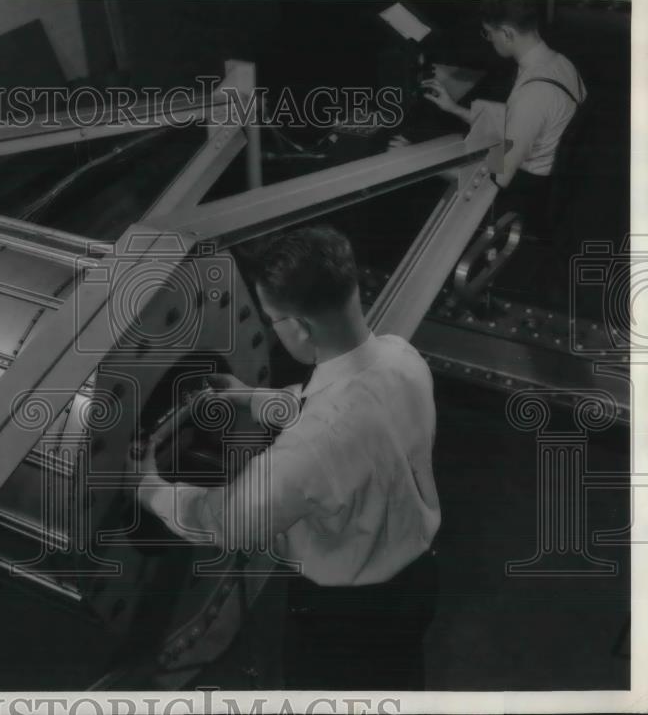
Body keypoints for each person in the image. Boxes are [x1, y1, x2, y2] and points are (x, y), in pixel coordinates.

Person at [136, 225, 441, 690]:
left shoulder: (306, 450)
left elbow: (225, 521)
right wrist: (252, 397)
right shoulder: (403, 357)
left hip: (345, 619)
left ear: (299, 326)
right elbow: (343, 409)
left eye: (273, 319)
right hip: (417, 581)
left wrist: (149, 488)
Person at [412, 0, 587, 238]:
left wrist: (418, 164)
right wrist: (453, 109)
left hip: (525, 186)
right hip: (540, 168)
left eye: (488, 33)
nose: (488, 40)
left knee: (422, 177)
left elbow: (497, 178)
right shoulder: (561, 63)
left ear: (507, 33)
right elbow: (520, 126)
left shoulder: (532, 95)